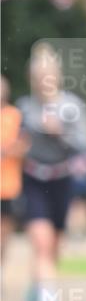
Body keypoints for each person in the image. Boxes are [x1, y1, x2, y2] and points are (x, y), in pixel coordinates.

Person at [17, 44, 86, 301]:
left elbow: (84, 144)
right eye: (37, 76)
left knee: (55, 245)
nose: (43, 81)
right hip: (34, 179)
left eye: (48, 74)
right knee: (42, 242)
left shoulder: (72, 107)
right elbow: (15, 142)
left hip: (63, 179)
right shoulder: (25, 107)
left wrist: (59, 133)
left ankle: (39, 283)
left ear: (57, 76)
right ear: (31, 79)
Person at [1, 75, 29, 262]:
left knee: (3, 235)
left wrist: (7, 151)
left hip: (9, 187)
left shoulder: (15, 116)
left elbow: (26, 146)